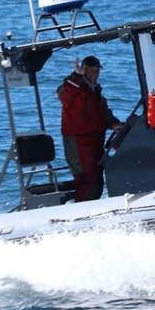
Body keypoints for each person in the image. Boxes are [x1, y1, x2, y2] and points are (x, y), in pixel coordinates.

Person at [57, 55, 122, 201]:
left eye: (97, 70)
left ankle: (92, 209)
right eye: (91, 71)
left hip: (96, 140)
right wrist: (76, 76)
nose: (95, 74)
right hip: (79, 141)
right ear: (84, 70)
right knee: (86, 180)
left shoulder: (96, 91)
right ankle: (82, 213)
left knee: (96, 179)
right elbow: (63, 96)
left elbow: (104, 113)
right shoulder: (74, 86)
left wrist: (114, 124)